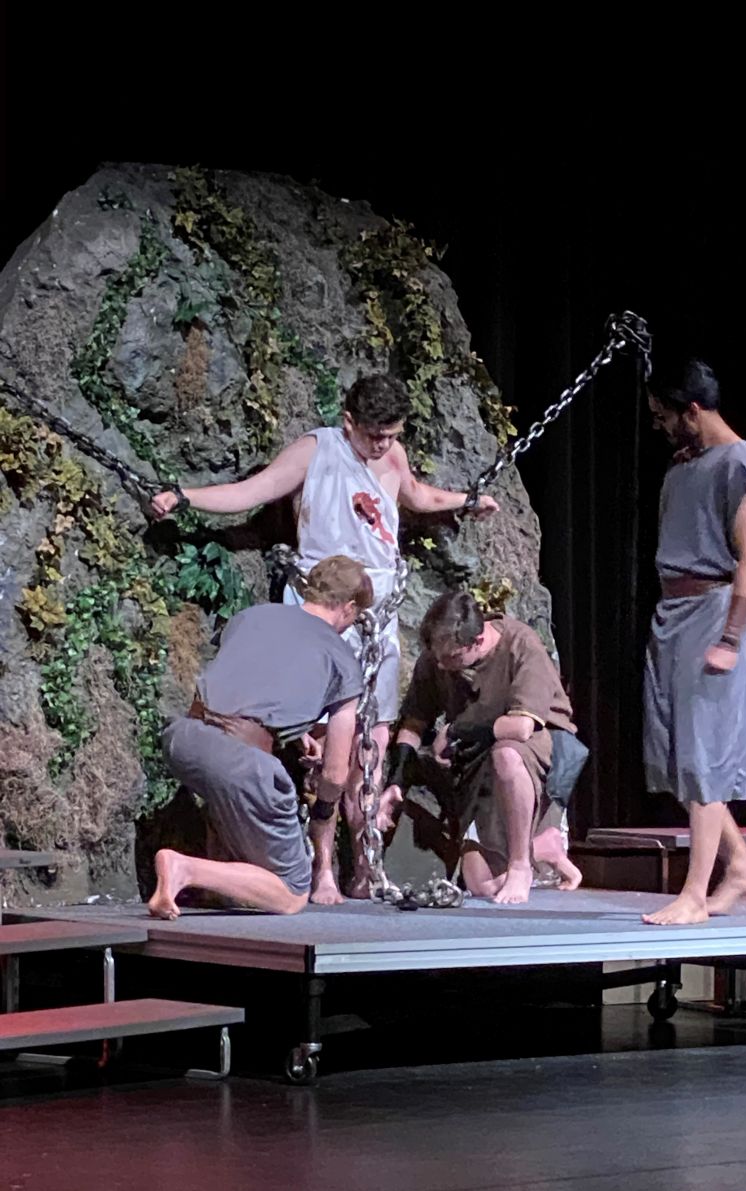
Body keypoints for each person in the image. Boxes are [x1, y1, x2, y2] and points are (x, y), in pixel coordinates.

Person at [151, 374, 499, 899]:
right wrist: (185, 496)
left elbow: (416, 495)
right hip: (324, 607)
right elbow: (254, 490)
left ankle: (364, 864)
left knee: (373, 740)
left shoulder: (393, 454)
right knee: (316, 745)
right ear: (349, 422)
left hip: (376, 616)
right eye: (373, 435)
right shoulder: (317, 450)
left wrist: (464, 501)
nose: (382, 446)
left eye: (391, 435)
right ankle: (318, 871)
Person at [148, 556, 370, 919]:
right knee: (290, 892)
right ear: (348, 608)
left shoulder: (250, 616)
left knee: (229, 787)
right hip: (238, 761)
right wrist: (325, 807)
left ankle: (213, 882)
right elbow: (334, 775)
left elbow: (250, 682)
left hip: (185, 738)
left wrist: (290, 734)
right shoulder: (342, 658)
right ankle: (185, 870)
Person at [642, 358, 746, 925]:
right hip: (672, 613)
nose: (658, 425)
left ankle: (695, 895)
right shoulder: (686, 466)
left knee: (704, 760)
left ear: (692, 412)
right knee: (679, 759)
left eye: (663, 415)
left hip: (712, 613)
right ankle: (742, 864)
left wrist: (731, 637)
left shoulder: (740, 463)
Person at [381, 591, 583, 905]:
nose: (442, 665)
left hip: (533, 753)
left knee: (507, 751)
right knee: (482, 885)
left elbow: (522, 726)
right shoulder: (440, 658)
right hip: (475, 762)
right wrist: (396, 782)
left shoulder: (521, 645)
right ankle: (541, 848)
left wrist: (456, 730)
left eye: (451, 658)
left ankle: (520, 863)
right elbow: (413, 724)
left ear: (476, 641)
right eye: (438, 658)